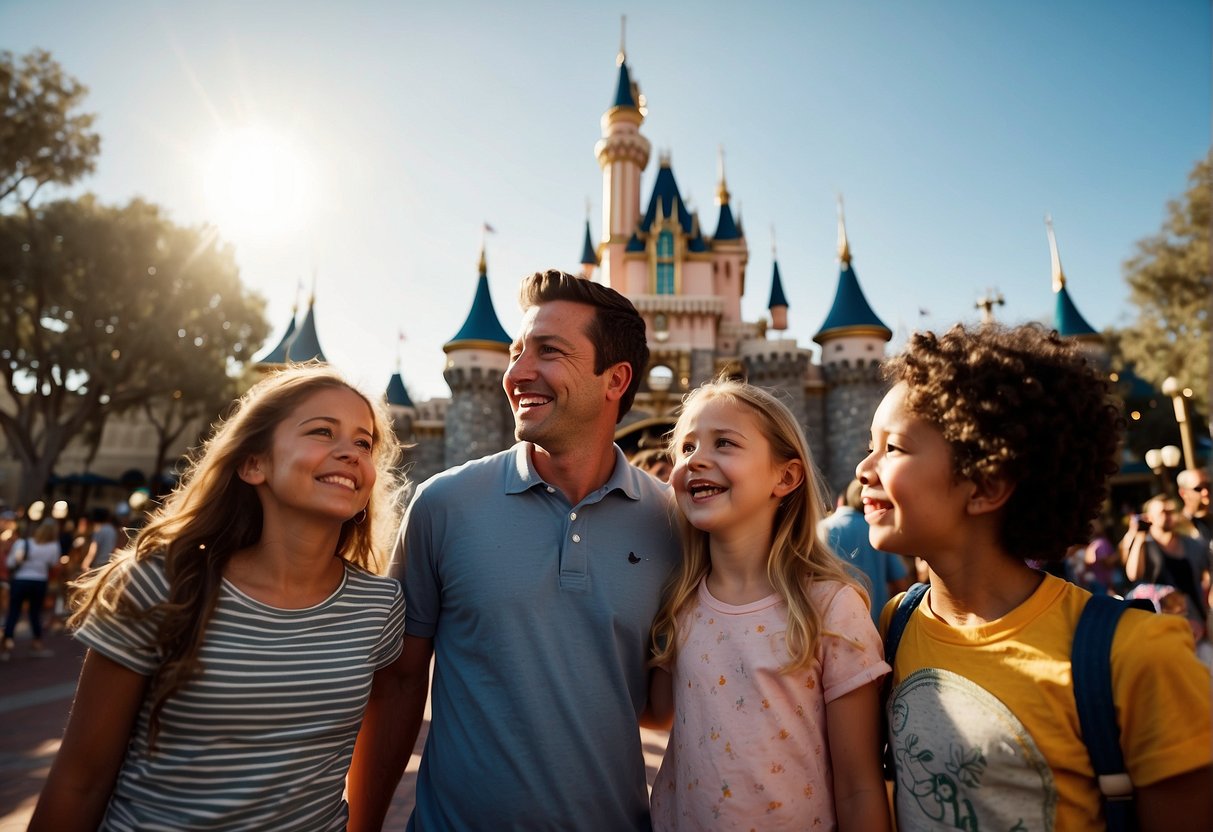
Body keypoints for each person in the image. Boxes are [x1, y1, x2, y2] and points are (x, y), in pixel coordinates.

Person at [348, 269, 682, 832]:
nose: (517, 373)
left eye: (548, 352)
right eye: (515, 351)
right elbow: (402, 683)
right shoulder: (443, 505)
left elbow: (657, 704)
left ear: (615, 379)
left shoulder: (673, 525)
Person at [859, 322, 1211, 831]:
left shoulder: (1138, 656)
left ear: (985, 484)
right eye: (871, 444)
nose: (864, 468)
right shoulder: (898, 624)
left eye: (893, 448)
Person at [29, 366, 407, 832]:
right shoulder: (163, 586)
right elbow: (80, 780)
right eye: (322, 431)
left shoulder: (379, 606)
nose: (349, 452)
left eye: (364, 442)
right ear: (254, 464)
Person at [647, 380, 891, 831]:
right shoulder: (679, 604)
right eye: (686, 448)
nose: (694, 459)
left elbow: (859, 786)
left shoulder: (829, 609)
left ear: (785, 477)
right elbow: (654, 711)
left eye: (724, 443)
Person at [819, 478, 909, 621]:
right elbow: (901, 584)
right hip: (875, 626)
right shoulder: (879, 532)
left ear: (842, 500)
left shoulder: (821, 529)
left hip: (829, 627)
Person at [1121, 495, 1210, 618]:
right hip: (1159, 619)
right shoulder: (1145, 545)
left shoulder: (1191, 544)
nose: (1170, 516)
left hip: (1194, 617)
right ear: (1149, 517)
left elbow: (1207, 576)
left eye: (1172, 511)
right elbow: (1133, 575)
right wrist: (1139, 537)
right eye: (1164, 512)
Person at [2, 518, 62, 660]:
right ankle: (37, 642)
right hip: (39, 582)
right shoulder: (54, 546)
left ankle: (6, 644)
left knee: (14, 612)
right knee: (34, 613)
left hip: (20, 580)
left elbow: (11, 562)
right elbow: (54, 564)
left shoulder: (23, 543)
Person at [1176, 467, 1212, 543]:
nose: (1205, 492)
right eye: (1198, 488)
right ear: (1183, 493)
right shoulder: (1177, 527)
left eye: (1207, 486)